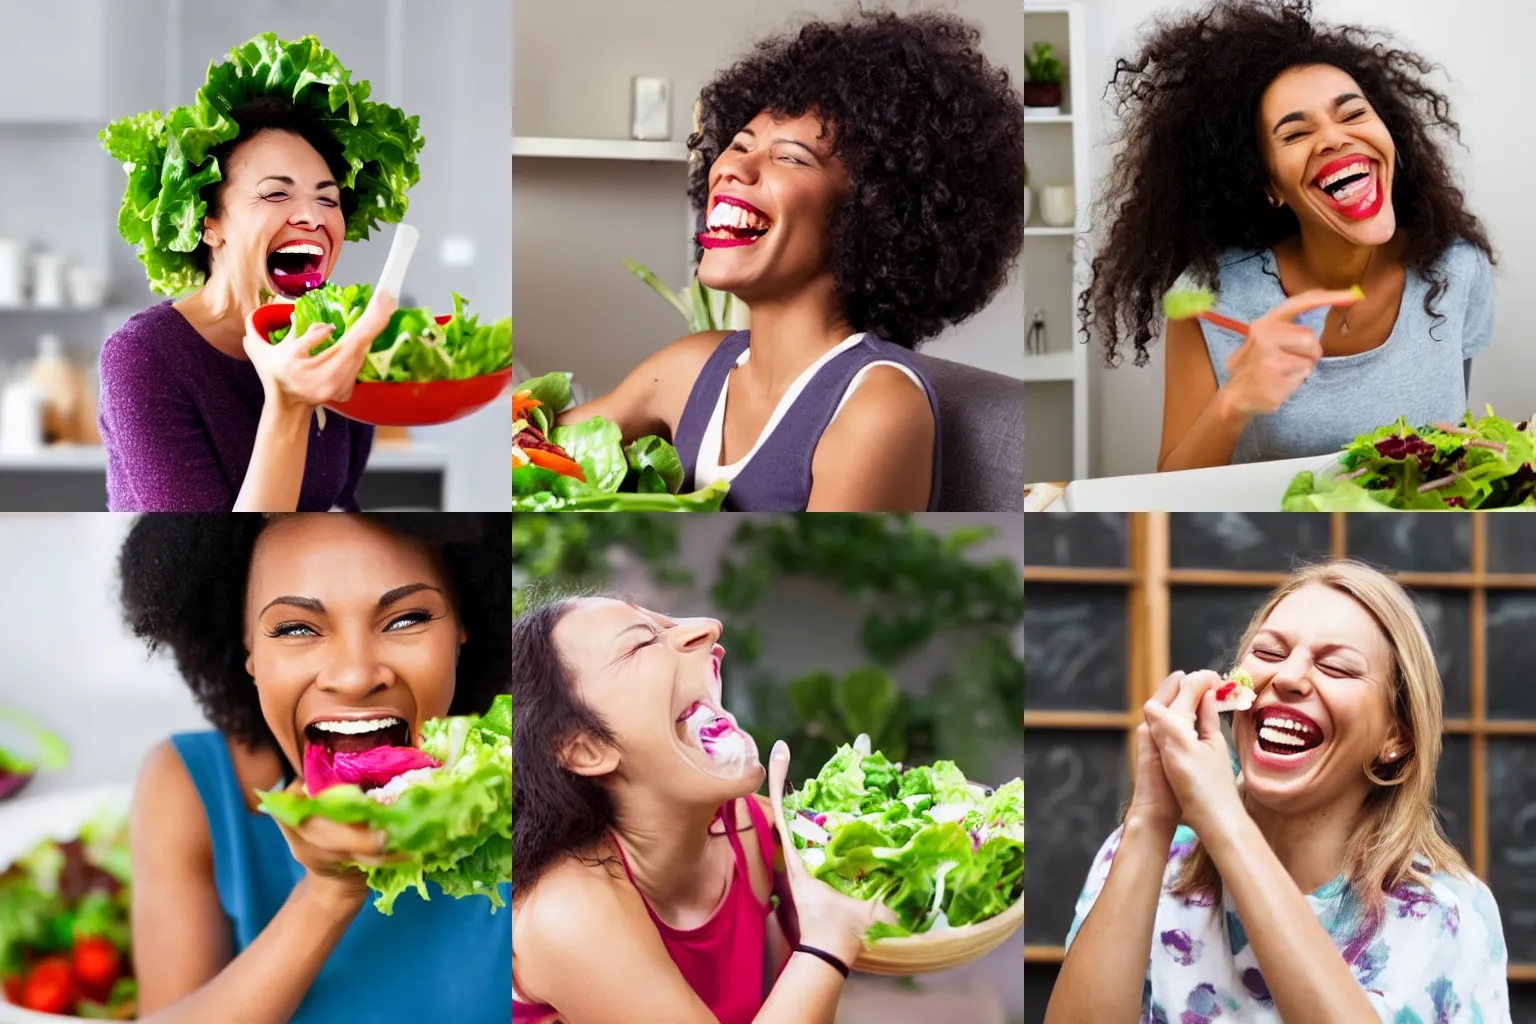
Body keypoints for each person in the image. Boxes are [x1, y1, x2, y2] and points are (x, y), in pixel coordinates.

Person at [557, 11, 1024, 511]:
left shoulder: (876, 407)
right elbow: (532, 450)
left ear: (876, 212)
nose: (733, 168)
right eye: (739, 145)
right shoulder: (689, 368)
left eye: (791, 157)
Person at [1045, 560, 1510, 1023]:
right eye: (1268, 654)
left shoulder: (1449, 917)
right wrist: (1149, 818)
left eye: (1337, 667)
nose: (1287, 677)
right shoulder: (1145, 860)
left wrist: (1224, 819)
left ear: (1397, 737)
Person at [116, 513, 510, 1023]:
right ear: (248, 648)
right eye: (297, 627)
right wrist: (329, 889)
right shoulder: (189, 785)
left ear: (462, 626)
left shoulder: (525, 770)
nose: (354, 676)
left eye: (406, 619)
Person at [1078, 0, 1496, 471]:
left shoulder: (1459, 269)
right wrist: (1236, 400)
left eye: (1353, 114)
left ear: (1389, 136)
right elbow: (1172, 486)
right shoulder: (1209, 297)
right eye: (1296, 134)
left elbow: (1454, 432)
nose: (1335, 138)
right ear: (1270, 186)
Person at [511, 597, 895, 1024]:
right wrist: (828, 941)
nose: (709, 628)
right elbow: (830, 946)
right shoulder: (563, 914)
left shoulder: (752, 827)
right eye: (640, 644)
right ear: (586, 748)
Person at [99, 35, 425, 511]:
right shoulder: (143, 358)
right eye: (276, 194)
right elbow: (211, 563)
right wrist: (289, 403)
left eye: (327, 198)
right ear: (208, 222)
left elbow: (338, 505)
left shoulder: (340, 336)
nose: (312, 216)